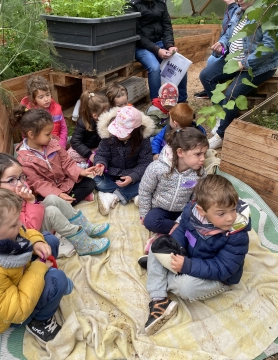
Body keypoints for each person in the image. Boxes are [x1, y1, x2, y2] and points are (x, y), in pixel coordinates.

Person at [143, 174, 251, 336]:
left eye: (233, 209)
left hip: (219, 277)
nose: (230, 218)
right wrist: (175, 247)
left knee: (186, 287)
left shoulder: (237, 235)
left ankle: (159, 271)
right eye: (221, 213)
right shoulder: (191, 212)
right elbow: (182, 231)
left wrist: (187, 266)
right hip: (192, 258)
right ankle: (159, 300)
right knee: (157, 246)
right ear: (201, 210)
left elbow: (223, 268)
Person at [0, 188, 73, 345]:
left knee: (49, 240)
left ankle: (48, 283)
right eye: (14, 224)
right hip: (11, 315)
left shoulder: (4, 235)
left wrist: (37, 241)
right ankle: (40, 322)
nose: (20, 224)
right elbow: (18, 311)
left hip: (21, 278)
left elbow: (25, 232)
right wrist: (39, 267)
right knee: (58, 279)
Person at [200, 0, 278, 149]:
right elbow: (229, 34)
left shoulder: (267, 15)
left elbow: (270, 47)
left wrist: (246, 62)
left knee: (231, 95)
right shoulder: (238, 11)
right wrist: (222, 42)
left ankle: (221, 135)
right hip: (234, 60)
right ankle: (222, 113)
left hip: (257, 66)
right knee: (206, 76)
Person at [0, 153, 110, 256]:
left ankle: (85, 227)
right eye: (11, 180)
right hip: (32, 239)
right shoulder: (1, 209)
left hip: (35, 222)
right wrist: (30, 202)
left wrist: (31, 201)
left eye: (21, 177)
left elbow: (35, 211)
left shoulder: (13, 192)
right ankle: (83, 245)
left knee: (52, 198)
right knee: (51, 212)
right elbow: (29, 229)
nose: (20, 183)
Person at [126, 0, 188, 102]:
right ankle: (157, 106)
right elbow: (136, 35)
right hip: (139, 46)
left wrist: (170, 45)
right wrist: (157, 50)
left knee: (180, 63)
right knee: (154, 68)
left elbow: (167, 25)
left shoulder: (160, 0)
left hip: (159, 43)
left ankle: (182, 102)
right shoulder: (131, 4)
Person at [13, 107, 97, 206]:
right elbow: (38, 183)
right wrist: (58, 194)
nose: (51, 137)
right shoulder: (23, 160)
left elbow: (67, 161)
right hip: (48, 191)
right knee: (46, 203)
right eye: (47, 134)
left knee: (90, 183)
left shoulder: (53, 143)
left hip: (65, 182)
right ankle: (68, 201)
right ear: (31, 134)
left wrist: (80, 172)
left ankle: (66, 203)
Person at [139, 127, 208, 235]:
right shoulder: (157, 168)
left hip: (183, 211)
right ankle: (181, 231)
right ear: (180, 152)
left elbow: (195, 200)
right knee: (150, 221)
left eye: (204, 153)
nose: (203, 158)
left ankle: (178, 229)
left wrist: (180, 220)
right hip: (160, 209)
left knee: (201, 221)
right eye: (198, 154)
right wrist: (144, 213)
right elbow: (145, 190)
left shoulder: (200, 173)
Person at [93, 106, 154, 215]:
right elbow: (102, 154)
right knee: (97, 181)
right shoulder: (108, 136)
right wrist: (101, 164)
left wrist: (133, 177)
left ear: (135, 131)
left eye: (122, 132)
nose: (117, 134)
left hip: (133, 175)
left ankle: (112, 196)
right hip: (112, 173)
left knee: (150, 182)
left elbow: (145, 162)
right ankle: (132, 194)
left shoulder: (143, 141)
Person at [195, 0, 243, 99]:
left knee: (212, 61)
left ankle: (216, 89)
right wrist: (222, 43)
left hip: (241, 57)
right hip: (230, 49)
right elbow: (228, 30)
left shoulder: (241, 6)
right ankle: (212, 90)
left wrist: (232, 5)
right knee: (212, 60)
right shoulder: (238, 5)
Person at [21, 75, 68, 149]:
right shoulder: (30, 114)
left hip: (57, 144)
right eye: (41, 97)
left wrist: (62, 144)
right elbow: (26, 135)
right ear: (34, 99)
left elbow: (63, 129)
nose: (46, 99)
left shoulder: (57, 109)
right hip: (39, 147)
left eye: (48, 94)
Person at [68, 91, 110, 168]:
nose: (108, 114)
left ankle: (91, 162)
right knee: (70, 154)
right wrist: (89, 154)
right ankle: (82, 164)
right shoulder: (82, 123)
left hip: (97, 148)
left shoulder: (105, 121)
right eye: (105, 112)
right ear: (95, 115)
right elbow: (75, 142)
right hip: (85, 149)